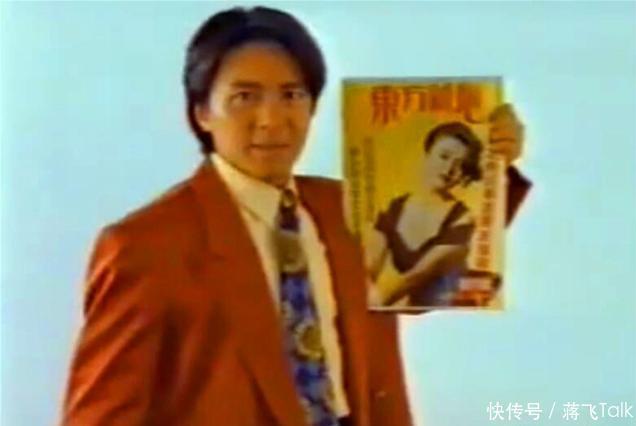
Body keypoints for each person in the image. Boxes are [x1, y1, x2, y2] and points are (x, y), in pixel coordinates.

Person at [61, 6, 530, 426]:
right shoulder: (145, 247)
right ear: (202, 112)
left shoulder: (346, 209)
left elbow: (417, 285)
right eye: (245, 97)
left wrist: (494, 165)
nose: (272, 119)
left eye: (291, 95)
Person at [366, 121, 486, 308]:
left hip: (451, 312)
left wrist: (368, 306)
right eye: (444, 156)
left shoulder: (462, 219)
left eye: (460, 165)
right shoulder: (394, 208)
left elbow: (415, 277)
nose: (449, 169)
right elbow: (367, 269)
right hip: (413, 311)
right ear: (427, 155)